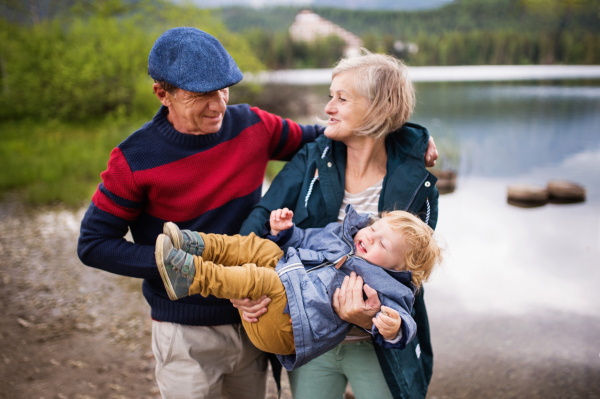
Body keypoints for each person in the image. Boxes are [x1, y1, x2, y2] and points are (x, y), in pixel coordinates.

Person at [76, 27, 325, 399]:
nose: (219, 105)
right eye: (201, 95)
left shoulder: (253, 126)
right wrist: (183, 269)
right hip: (185, 333)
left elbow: (325, 138)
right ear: (163, 94)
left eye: (223, 89)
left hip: (253, 319)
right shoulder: (135, 159)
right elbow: (94, 244)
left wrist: (409, 138)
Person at [237, 51, 439, 399]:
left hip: (378, 348)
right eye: (331, 96)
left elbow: (414, 274)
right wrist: (241, 284)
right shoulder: (313, 158)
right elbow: (261, 217)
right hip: (310, 335)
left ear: (378, 108)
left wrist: (372, 319)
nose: (328, 107)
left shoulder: (418, 185)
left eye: (342, 99)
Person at [154, 205, 442, 372]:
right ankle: (198, 245)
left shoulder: (389, 286)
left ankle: (192, 276)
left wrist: (394, 327)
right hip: (278, 296)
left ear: (398, 268)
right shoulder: (341, 235)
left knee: (265, 278)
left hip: (288, 327)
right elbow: (302, 240)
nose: (369, 237)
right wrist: (286, 232)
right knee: (263, 246)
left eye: (382, 244)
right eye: (374, 229)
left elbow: (407, 322)